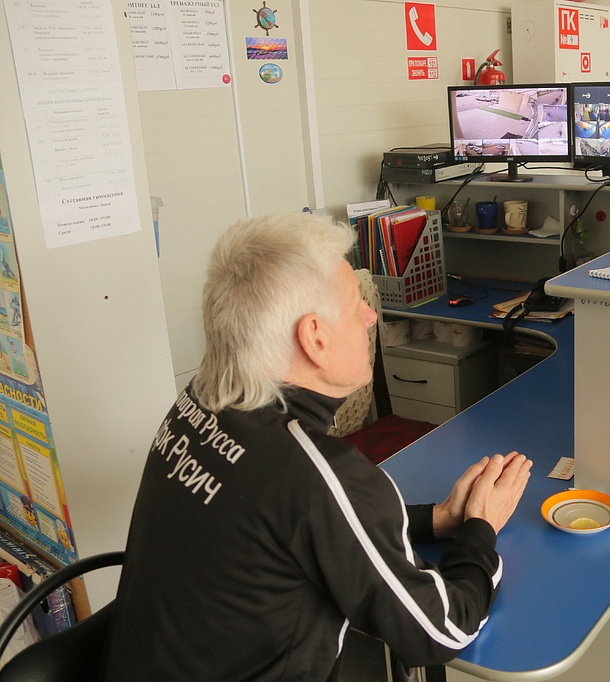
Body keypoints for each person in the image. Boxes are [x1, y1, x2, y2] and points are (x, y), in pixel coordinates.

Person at [103, 213, 533, 680]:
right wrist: (481, 527)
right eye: (354, 305)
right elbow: (441, 631)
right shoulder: (313, 472)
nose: (370, 316)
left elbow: (295, 522)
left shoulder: (201, 400)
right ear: (314, 337)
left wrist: (436, 519)